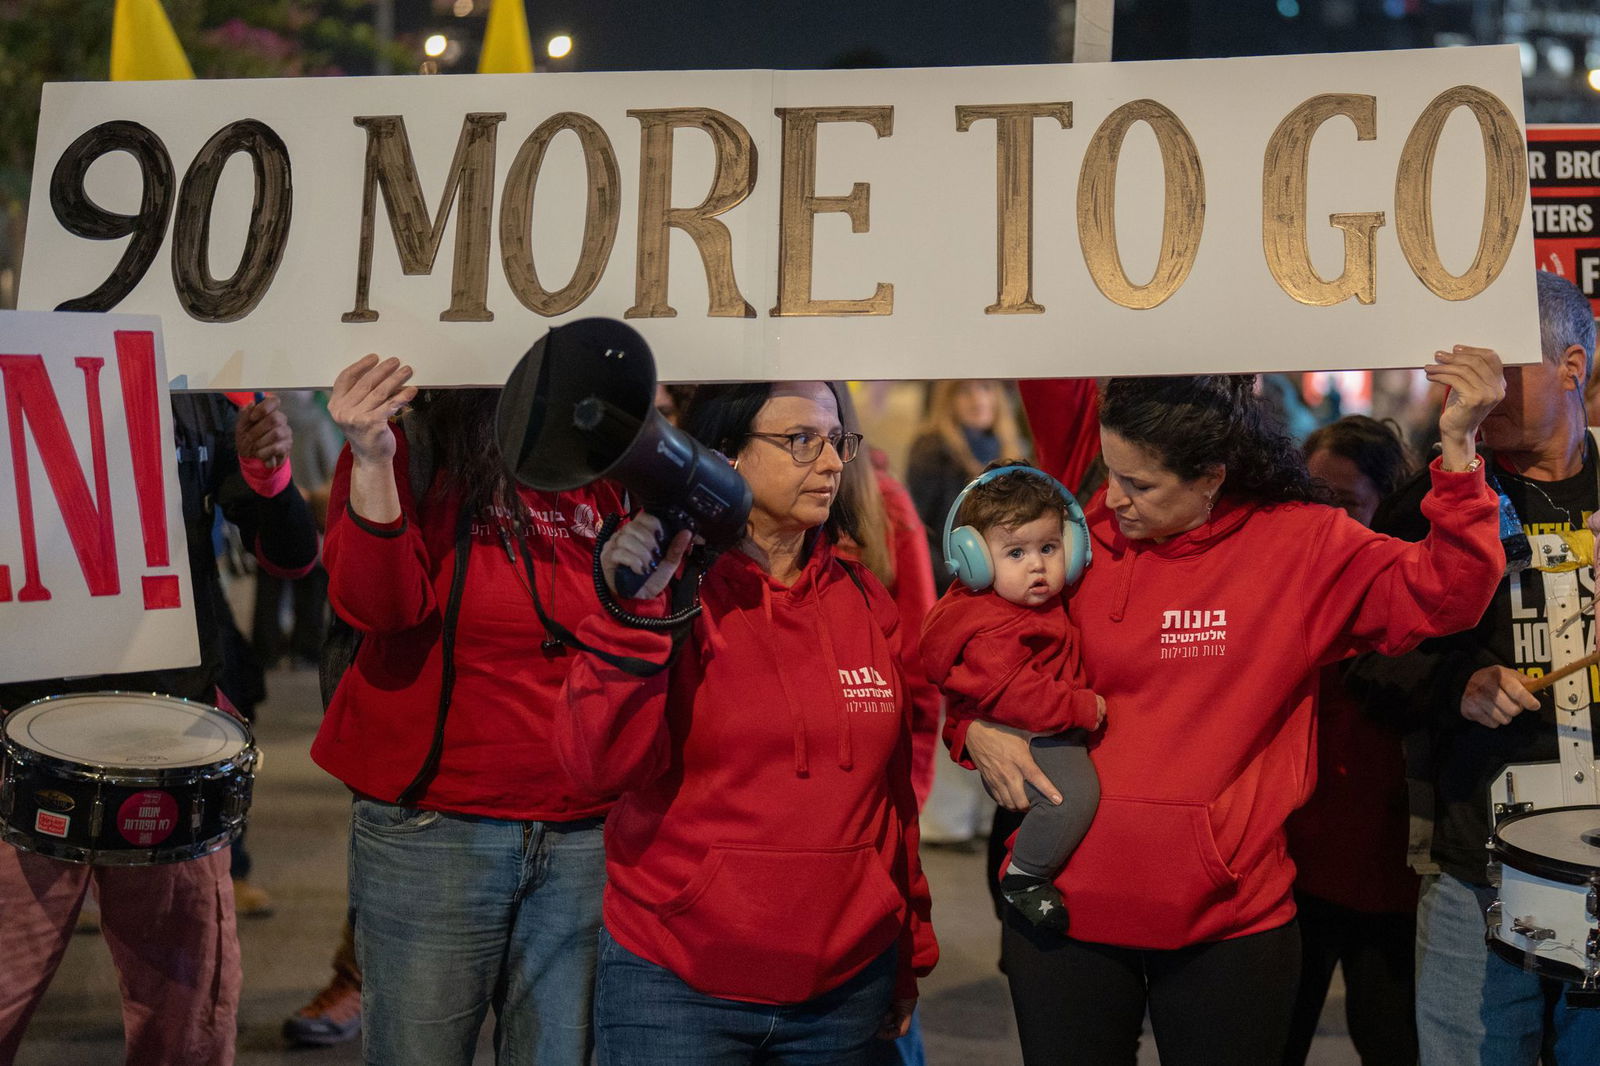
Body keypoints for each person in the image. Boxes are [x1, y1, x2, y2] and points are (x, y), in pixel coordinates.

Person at [954, 348, 1506, 1065]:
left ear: (1212, 476)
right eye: (1111, 474)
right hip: (1061, 910)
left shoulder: (1300, 544)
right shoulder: (1079, 535)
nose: (1112, 499)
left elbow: (1450, 592)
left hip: (1229, 927)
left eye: (1139, 484)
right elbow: (969, 637)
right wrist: (970, 727)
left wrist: (1459, 450)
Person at [557, 380, 938, 1065]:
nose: (833, 463)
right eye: (802, 441)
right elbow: (597, 768)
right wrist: (632, 620)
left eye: (837, 441)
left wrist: (909, 942)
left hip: (846, 992)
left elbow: (892, 801)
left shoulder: (863, 600)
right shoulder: (674, 594)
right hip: (676, 988)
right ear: (725, 454)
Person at [311, 354, 620, 1066]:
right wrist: (372, 458)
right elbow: (379, 608)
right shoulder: (410, 446)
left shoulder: (605, 457)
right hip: (434, 830)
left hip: (584, 834)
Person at [0, 392, 317, 1066]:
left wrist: (268, 474)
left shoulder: (202, 394)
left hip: (170, 738)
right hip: (20, 738)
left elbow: (292, 556)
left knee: (185, 1017)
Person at [1347, 271, 1600, 1066]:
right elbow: (1365, 659)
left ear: (1572, 367)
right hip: (1478, 871)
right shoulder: (1434, 499)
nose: (1477, 396)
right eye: (1466, 374)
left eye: (1500, 372)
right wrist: (1456, 685)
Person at [1281, 416, 1420, 1066]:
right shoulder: (1286, 581)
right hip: (1293, 870)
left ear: (1386, 504)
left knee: (1392, 1043)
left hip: (1388, 874)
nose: (1327, 518)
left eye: (1346, 503)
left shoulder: (1410, 593)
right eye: (1316, 498)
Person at [920, 463, 1103, 933]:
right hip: (1034, 731)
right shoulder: (994, 625)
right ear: (974, 561)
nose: (1037, 565)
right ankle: (1026, 876)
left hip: (1044, 726)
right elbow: (1020, 695)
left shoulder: (1028, 606)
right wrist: (1082, 707)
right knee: (1071, 799)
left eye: (1048, 548)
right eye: (1016, 552)